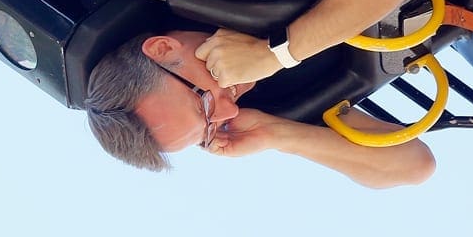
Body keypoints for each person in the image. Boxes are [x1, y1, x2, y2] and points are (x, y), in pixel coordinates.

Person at [83, 28, 435, 187]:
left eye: (204, 103)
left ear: (162, 50)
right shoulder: (267, 105)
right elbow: (415, 164)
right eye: (209, 131)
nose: (230, 114)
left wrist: (273, 53)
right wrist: (277, 134)